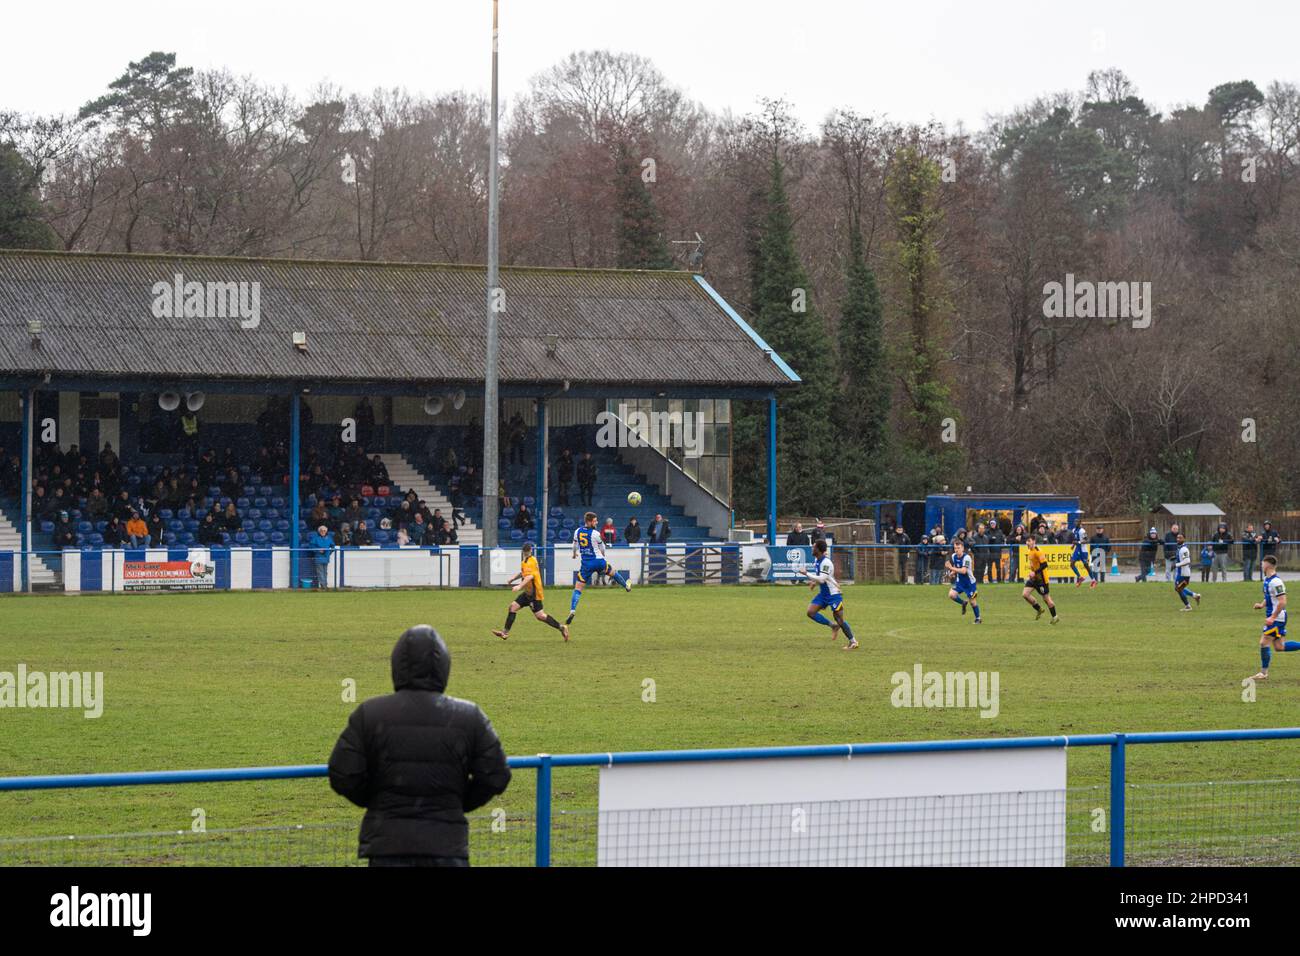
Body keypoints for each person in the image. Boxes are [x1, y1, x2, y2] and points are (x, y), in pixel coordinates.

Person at [328, 625, 511, 866]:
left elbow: (342, 773)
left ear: (397, 665)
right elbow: (496, 775)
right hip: (446, 846)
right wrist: (457, 801)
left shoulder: (370, 713)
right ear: (444, 666)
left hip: (387, 847)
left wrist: (378, 800)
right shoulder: (469, 716)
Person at [565, 511, 631, 627]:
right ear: (589, 522)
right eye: (595, 521)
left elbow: (574, 545)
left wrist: (574, 554)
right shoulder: (595, 533)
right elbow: (602, 547)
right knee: (612, 572)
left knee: (578, 588)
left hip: (586, 564)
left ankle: (572, 610)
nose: (597, 522)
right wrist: (603, 555)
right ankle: (626, 586)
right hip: (599, 561)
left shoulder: (577, 531)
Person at [493, 542, 569, 641]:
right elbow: (523, 573)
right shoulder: (524, 561)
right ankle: (505, 633)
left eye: (527, 552)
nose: (526, 553)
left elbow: (530, 576)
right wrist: (512, 579)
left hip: (534, 594)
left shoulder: (532, 561)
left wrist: (519, 586)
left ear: (530, 551)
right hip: (527, 593)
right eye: (525, 552)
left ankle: (562, 627)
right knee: (512, 607)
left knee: (540, 616)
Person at [802, 539, 857, 650]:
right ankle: (832, 626)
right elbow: (822, 577)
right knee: (810, 612)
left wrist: (806, 574)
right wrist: (814, 582)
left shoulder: (826, 562)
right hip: (823, 594)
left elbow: (822, 579)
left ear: (818, 549)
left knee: (839, 619)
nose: (812, 549)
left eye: (814, 547)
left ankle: (853, 641)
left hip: (833, 594)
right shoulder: (817, 560)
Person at [1250, 555, 1298, 681]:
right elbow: (1269, 597)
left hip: (1278, 618)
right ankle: (1264, 673)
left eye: (1262, 563)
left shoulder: (1276, 582)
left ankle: (1263, 673)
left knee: (1263, 642)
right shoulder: (1267, 579)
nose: (1261, 566)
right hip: (1275, 617)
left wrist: (1273, 617)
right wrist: (1261, 605)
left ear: (1267, 564)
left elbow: (1282, 601)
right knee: (1279, 647)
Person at [1021, 536, 1059, 623]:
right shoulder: (1030, 551)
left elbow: (1045, 564)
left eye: (1029, 541)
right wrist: (1033, 572)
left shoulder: (1038, 551)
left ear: (1034, 541)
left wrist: (1035, 572)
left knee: (1046, 599)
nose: (1027, 543)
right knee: (1025, 594)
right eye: (1027, 541)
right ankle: (1039, 609)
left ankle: (1055, 616)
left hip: (1042, 579)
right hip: (1034, 579)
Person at [945, 539, 982, 623]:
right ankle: (963, 603)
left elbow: (963, 571)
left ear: (962, 548)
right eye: (955, 548)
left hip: (969, 583)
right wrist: (951, 573)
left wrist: (951, 568)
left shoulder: (967, 557)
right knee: (951, 595)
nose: (956, 550)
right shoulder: (954, 556)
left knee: (972, 602)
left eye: (958, 548)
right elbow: (956, 566)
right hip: (960, 582)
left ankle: (978, 618)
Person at [1173, 532, 1202, 611]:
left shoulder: (1184, 549)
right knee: (1178, 588)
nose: (1178, 539)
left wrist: (1176, 565)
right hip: (1181, 572)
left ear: (1184, 539)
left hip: (1183, 573)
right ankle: (1195, 596)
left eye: (1180, 538)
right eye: (1177, 538)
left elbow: (1187, 561)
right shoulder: (1179, 548)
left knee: (1178, 588)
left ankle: (1188, 606)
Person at [1070, 524, 1096, 589]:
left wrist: (1078, 542)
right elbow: (1075, 539)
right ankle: (1080, 577)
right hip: (1077, 550)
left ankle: (1093, 581)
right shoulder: (1073, 530)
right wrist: (1073, 545)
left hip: (1083, 551)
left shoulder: (1082, 531)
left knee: (1086, 565)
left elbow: (1087, 540)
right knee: (1072, 563)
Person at [309, 524, 333, 589]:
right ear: (319, 531)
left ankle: (325, 584)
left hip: (326, 557)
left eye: (324, 531)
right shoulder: (315, 538)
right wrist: (318, 550)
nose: (323, 532)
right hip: (318, 557)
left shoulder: (329, 538)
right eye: (322, 531)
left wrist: (329, 552)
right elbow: (311, 547)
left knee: (325, 572)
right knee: (320, 572)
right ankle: (323, 585)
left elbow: (332, 546)